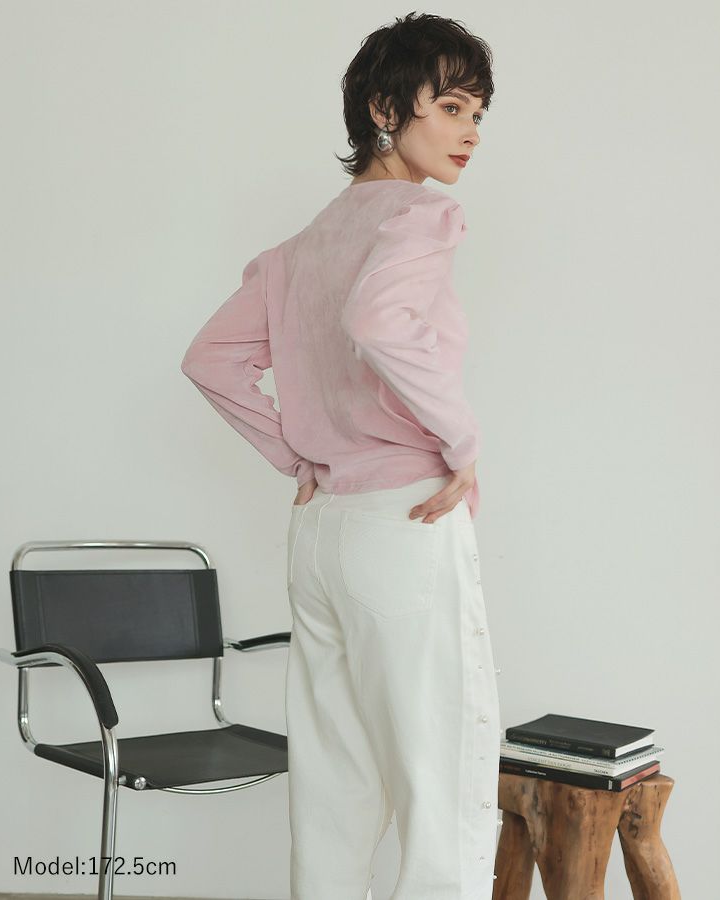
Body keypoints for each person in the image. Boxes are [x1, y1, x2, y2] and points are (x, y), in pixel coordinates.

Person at [180, 12, 502, 899]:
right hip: (404, 523)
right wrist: (464, 444)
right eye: (451, 107)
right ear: (385, 110)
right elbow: (377, 319)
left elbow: (209, 359)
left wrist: (298, 457)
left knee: (334, 783)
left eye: (479, 113)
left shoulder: (299, 249)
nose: (472, 132)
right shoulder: (423, 216)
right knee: (440, 778)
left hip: (323, 536)